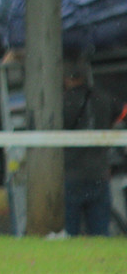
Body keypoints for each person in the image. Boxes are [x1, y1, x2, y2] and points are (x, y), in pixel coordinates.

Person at [63, 53, 125, 237]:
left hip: (70, 174)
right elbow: (123, 112)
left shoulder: (61, 102)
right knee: (100, 232)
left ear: (65, 78)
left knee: (70, 233)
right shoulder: (103, 97)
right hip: (99, 173)